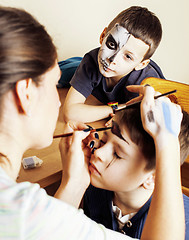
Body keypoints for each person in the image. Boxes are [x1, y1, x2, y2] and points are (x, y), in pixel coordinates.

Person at [0, 6, 185, 240]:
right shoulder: (26, 213)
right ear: (25, 92)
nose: (60, 102)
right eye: (56, 83)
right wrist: (167, 145)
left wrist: (74, 184)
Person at [82, 86, 189, 239]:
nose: (98, 153)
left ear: (152, 178)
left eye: (117, 154)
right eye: (103, 140)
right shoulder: (94, 188)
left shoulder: (183, 225)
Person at [62, 6, 165, 124]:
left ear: (142, 64)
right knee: (65, 71)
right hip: (94, 74)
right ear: (103, 36)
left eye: (128, 57)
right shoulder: (92, 60)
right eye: (111, 44)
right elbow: (70, 114)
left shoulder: (145, 82)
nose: (112, 59)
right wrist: (117, 109)